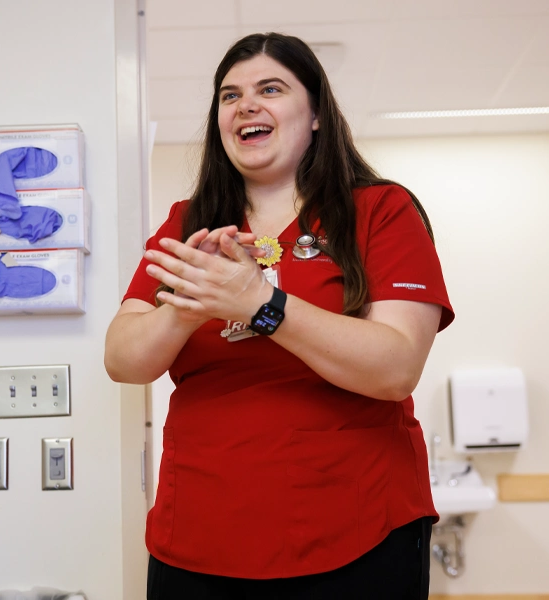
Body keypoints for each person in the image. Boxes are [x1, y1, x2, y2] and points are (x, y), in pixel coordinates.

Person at [105, 32, 455, 600]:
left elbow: (396, 367)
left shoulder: (381, 211)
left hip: (358, 531)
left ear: (316, 113)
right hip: (198, 531)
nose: (246, 105)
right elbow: (123, 359)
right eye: (229, 95)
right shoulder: (187, 225)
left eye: (270, 88)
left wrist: (261, 306)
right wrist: (196, 303)